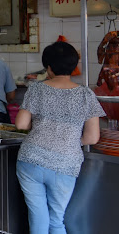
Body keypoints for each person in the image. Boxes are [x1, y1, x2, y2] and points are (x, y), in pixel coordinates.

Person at [15, 41, 105, 233]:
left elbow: (21, 124)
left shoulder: (36, 88)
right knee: (56, 220)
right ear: (73, 67)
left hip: (31, 159)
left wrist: (40, 126)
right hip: (65, 164)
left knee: (38, 217)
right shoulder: (86, 94)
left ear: (48, 67)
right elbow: (92, 137)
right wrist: (70, 140)